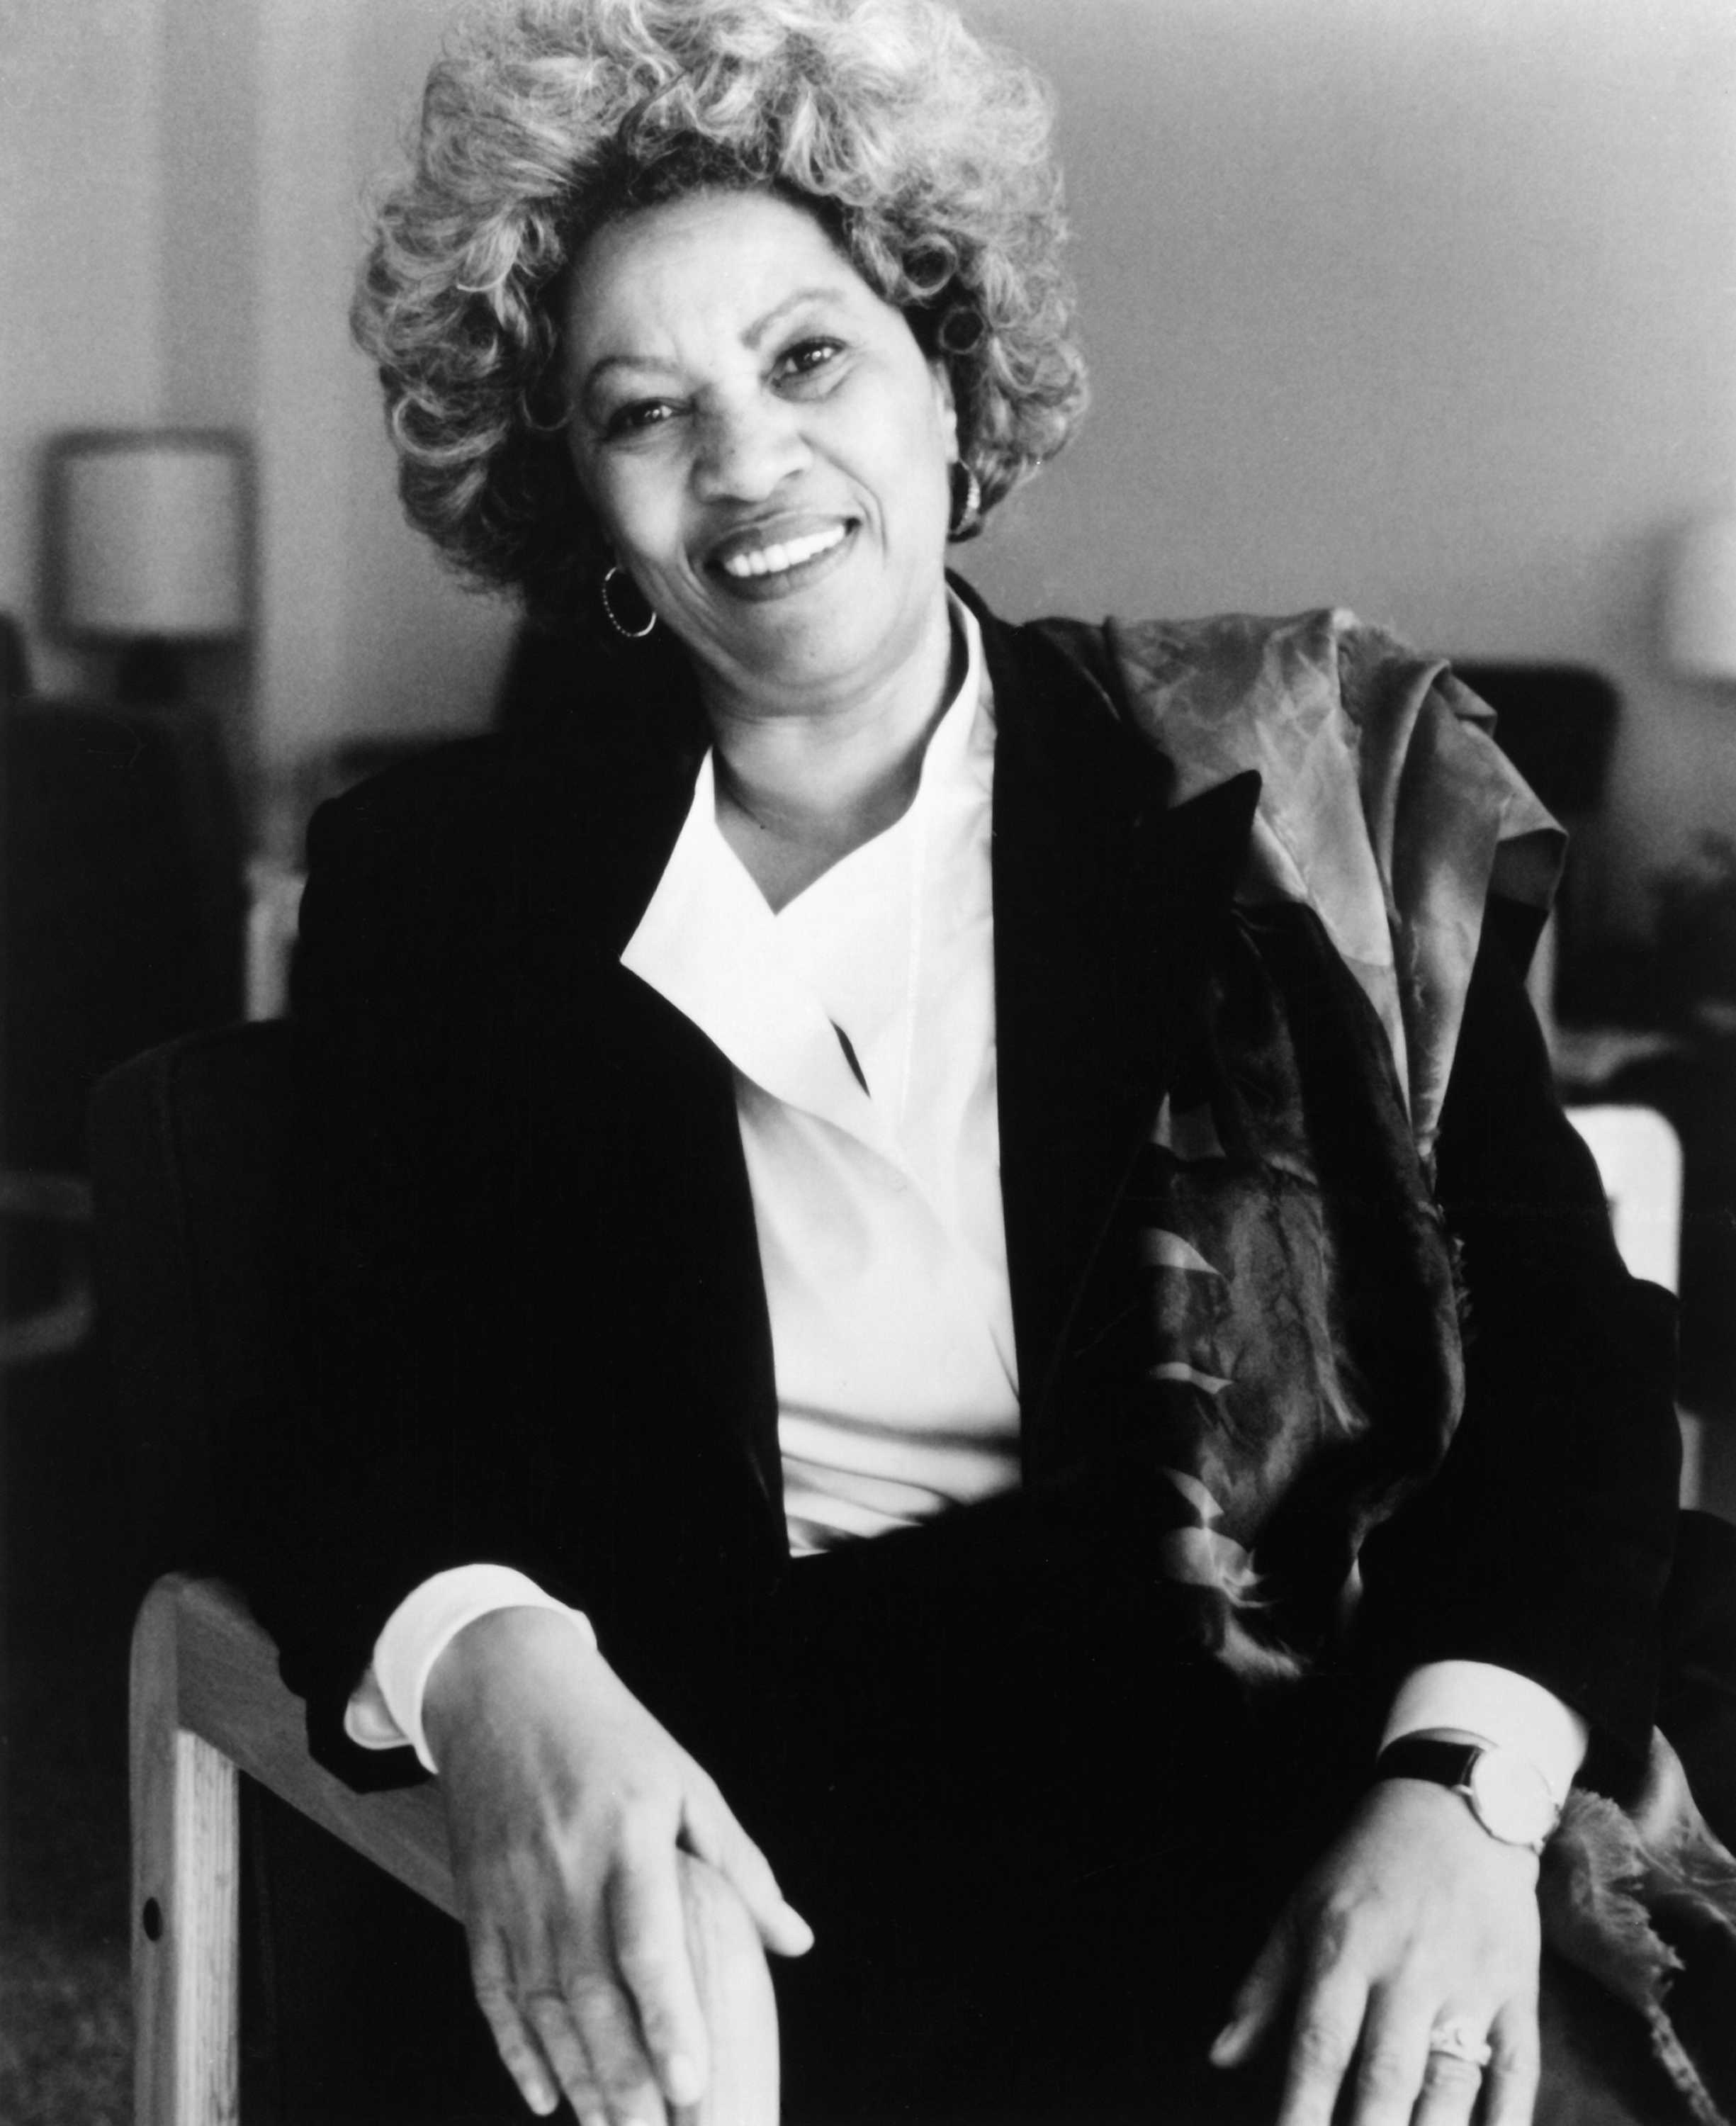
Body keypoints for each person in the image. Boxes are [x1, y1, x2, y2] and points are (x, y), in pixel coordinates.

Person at [239, 1, 1728, 2121]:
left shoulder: (1295, 791)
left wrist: (1464, 1797)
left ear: (952, 368)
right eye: (641, 409)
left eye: (809, 357)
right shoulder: (441, 885)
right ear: (577, 491)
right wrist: (495, 1657)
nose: (746, 463)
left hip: (1291, 1741)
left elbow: (1570, 1366)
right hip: (764, 1825)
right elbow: (332, 1398)